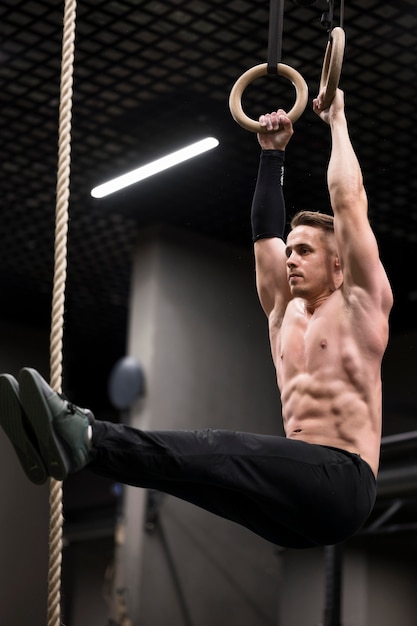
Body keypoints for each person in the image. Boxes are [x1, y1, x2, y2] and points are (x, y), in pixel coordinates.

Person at [0, 89, 393, 549]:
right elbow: (265, 233)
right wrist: (272, 156)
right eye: (290, 251)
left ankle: (84, 429)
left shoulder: (360, 304)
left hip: (342, 484)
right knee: (188, 475)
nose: (290, 259)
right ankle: (76, 451)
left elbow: (348, 201)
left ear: (340, 265)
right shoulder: (283, 312)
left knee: (216, 447)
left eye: (304, 251)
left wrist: (337, 121)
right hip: (293, 512)